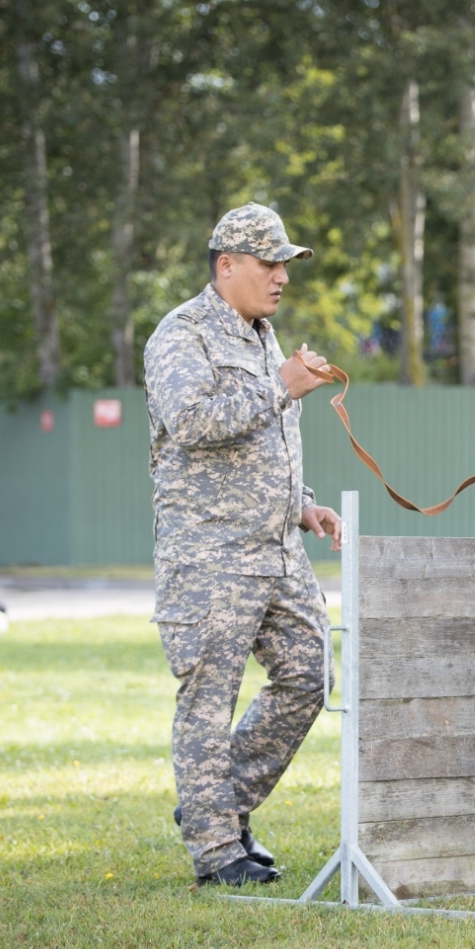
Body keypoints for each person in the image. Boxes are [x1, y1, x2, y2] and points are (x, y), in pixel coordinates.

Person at [143, 202, 343, 887]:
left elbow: (265, 442)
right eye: (269, 262)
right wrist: (281, 385)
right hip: (210, 556)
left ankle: (217, 806)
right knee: (208, 699)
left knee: (311, 672)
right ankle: (216, 852)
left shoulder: (262, 336)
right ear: (226, 265)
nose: (282, 276)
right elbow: (193, 421)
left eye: (286, 263)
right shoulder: (181, 334)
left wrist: (303, 501)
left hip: (276, 548)